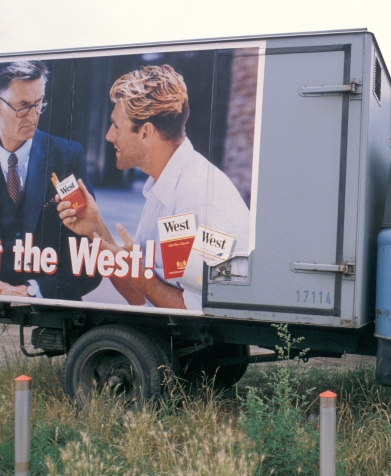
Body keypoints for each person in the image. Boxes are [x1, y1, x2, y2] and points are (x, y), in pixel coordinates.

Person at [58, 64, 250, 310]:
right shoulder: (166, 186)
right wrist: (94, 227)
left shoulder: (198, 199)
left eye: (116, 126)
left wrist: (144, 281)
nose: (108, 136)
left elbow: (202, 312)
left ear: (146, 132)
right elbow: (142, 295)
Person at [0, 60, 102, 300]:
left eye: (38, 104)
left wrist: (31, 290)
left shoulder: (67, 158)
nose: (33, 116)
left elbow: (86, 263)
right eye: (22, 106)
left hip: (52, 305)